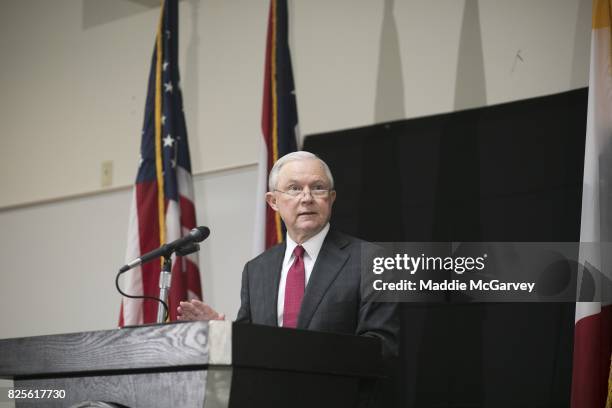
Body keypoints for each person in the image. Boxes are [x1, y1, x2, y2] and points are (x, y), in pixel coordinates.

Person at [178, 151, 398, 357]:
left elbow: (382, 347)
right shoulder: (257, 270)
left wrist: (306, 356)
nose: (307, 198)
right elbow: (250, 345)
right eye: (294, 188)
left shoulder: (372, 261)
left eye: (318, 187)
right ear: (273, 201)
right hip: (270, 396)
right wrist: (222, 333)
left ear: (331, 198)